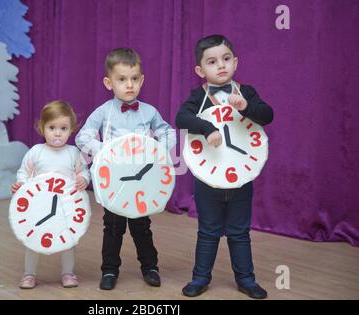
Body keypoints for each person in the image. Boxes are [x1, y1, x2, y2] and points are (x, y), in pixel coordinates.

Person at [175, 34, 274, 299]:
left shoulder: (246, 92)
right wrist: (206, 128)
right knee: (207, 232)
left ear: (235, 62)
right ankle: (200, 278)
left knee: (240, 232)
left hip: (241, 178)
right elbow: (181, 118)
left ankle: (246, 279)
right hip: (208, 180)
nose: (221, 65)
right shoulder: (198, 96)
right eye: (212, 61)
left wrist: (246, 106)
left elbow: (267, 115)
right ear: (200, 70)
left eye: (226, 59)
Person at [76, 48, 176, 290]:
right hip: (114, 182)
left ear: (141, 80)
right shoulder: (103, 112)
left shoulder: (149, 111)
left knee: (142, 227)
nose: (129, 85)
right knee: (113, 228)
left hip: (141, 181)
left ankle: (150, 267)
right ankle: (109, 270)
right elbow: (83, 137)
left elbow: (168, 132)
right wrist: (104, 149)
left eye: (134, 79)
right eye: (122, 79)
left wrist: (159, 150)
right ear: (109, 83)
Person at [12, 100, 89, 289]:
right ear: (41, 128)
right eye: (52, 127)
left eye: (63, 128)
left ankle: (68, 273)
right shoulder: (36, 152)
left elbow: (83, 171)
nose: (57, 133)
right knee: (33, 240)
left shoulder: (73, 153)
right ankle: (29, 274)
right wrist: (21, 184)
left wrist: (84, 179)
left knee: (69, 241)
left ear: (71, 129)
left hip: (66, 207)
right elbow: (24, 172)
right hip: (39, 206)